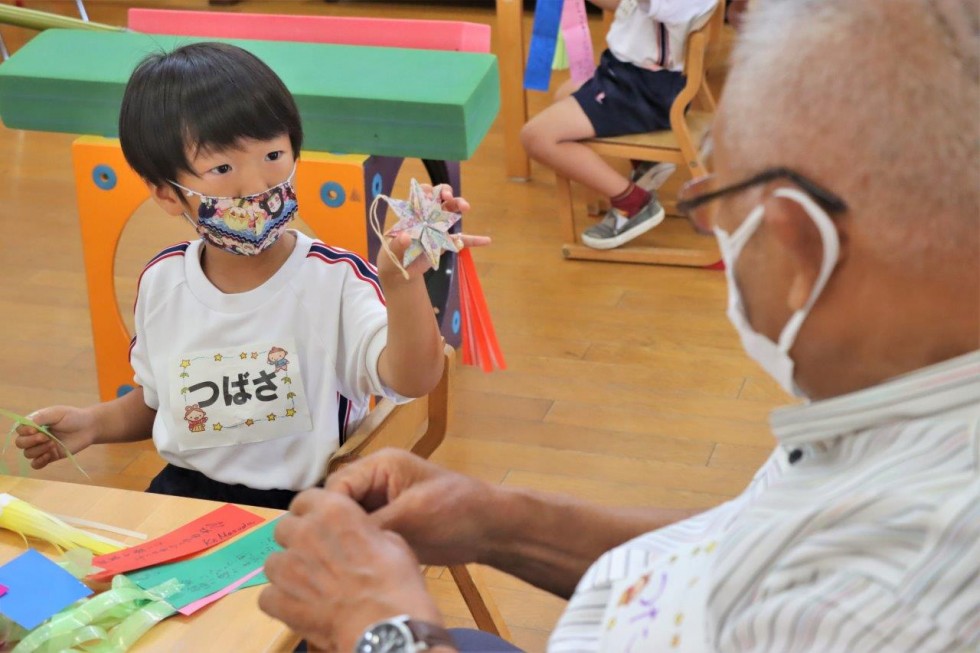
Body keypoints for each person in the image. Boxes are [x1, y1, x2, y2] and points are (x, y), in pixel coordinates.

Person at [258, 0, 980, 650]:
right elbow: (743, 544)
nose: (717, 225)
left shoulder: (893, 604)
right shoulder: (897, 403)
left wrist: (384, 628)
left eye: (718, 195)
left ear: (801, 246)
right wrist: (496, 518)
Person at [13, 43, 485, 510]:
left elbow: (416, 378)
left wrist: (401, 283)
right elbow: (161, 403)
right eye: (221, 167)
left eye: (274, 156)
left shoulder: (335, 281)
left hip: (311, 505)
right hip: (187, 497)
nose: (257, 186)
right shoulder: (163, 282)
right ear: (167, 194)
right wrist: (93, 424)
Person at [520, 0, 718, 250]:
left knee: (536, 137)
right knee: (564, 94)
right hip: (625, 76)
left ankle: (633, 203)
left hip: (642, 90)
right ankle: (645, 162)